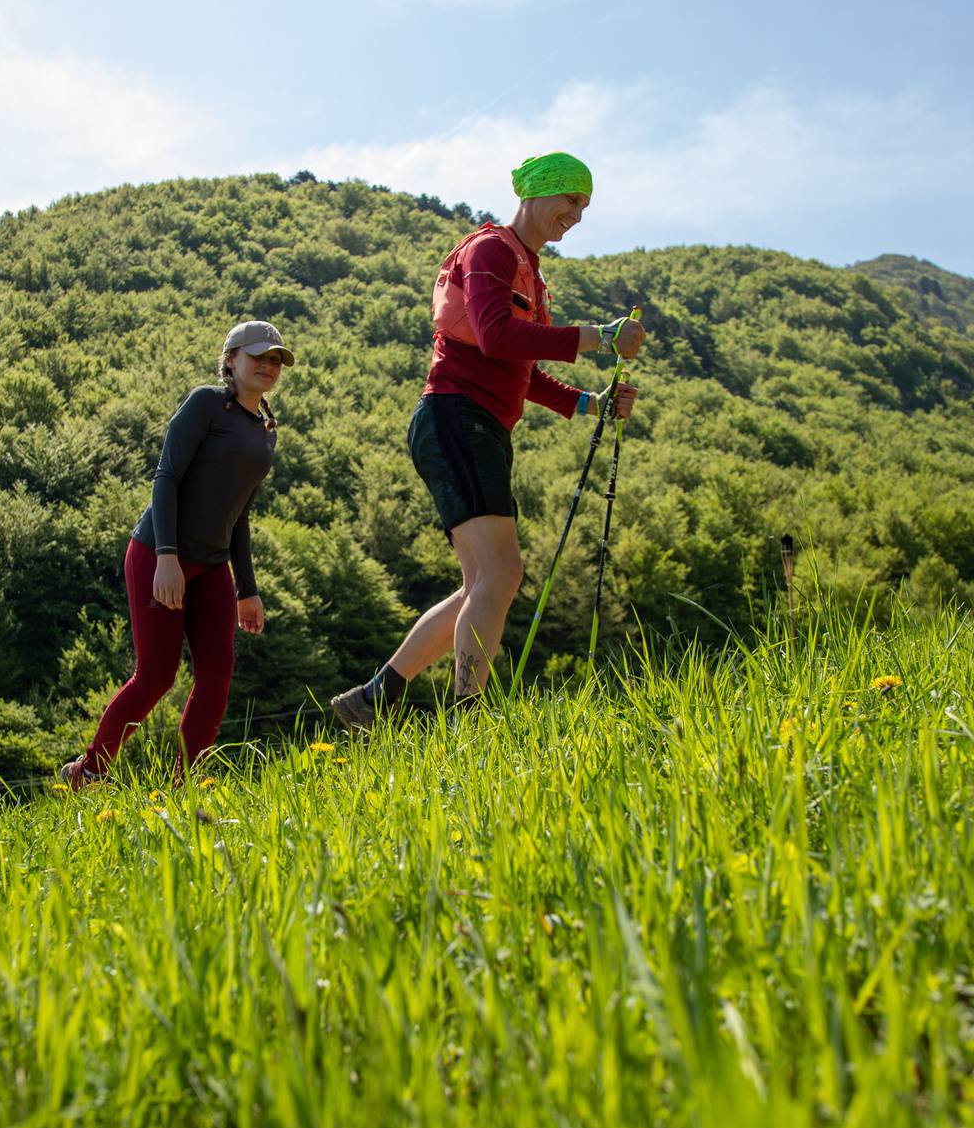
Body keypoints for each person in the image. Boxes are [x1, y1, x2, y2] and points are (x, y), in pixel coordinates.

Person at [330, 152, 645, 731]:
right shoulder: (492, 250)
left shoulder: (529, 268)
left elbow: (523, 370)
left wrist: (590, 403)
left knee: (483, 582)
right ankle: (466, 719)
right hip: (457, 417)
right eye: (569, 200)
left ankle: (376, 696)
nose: (576, 214)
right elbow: (499, 337)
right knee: (501, 574)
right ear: (538, 193)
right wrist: (600, 337)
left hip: (474, 424)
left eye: (584, 205)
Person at [59, 321, 289, 787]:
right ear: (230, 361)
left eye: (275, 360)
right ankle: (89, 772)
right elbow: (165, 477)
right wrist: (166, 558)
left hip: (212, 565)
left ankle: (188, 785)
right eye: (258, 356)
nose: (268, 366)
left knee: (218, 672)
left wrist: (248, 589)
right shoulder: (206, 403)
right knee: (156, 676)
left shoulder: (265, 431)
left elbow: (239, 516)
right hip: (158, 554)